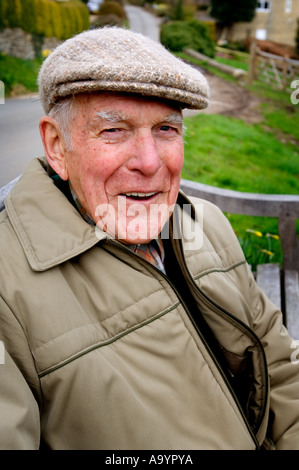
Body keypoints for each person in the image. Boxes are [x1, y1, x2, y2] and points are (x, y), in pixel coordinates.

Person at [0, 26, 298, 451]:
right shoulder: (7, 284)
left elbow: (281, 368)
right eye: (113, 131)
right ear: (56, 145)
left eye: (165, 129)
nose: (149, 162)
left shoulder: (206, 224)